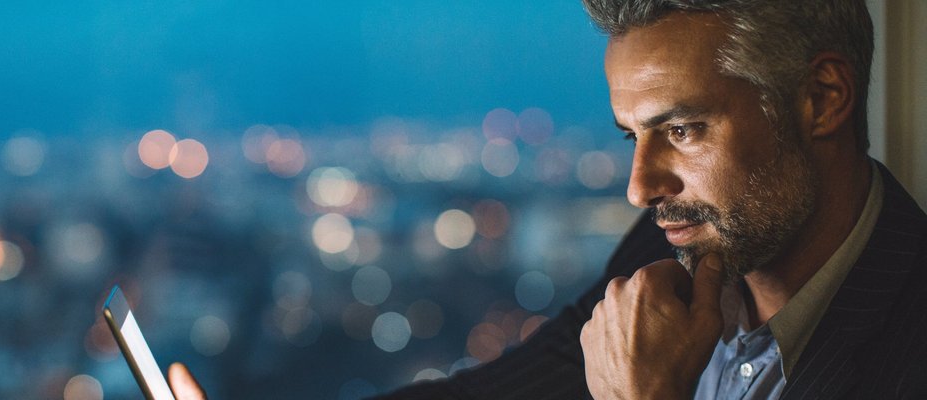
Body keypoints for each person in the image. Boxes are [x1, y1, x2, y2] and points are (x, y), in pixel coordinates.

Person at [167, 0, 927, 398]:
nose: (641, 188)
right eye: (633, 136)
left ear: (823, 98)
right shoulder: (682, 251)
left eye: (685, 129)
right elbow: (510, 388)